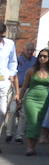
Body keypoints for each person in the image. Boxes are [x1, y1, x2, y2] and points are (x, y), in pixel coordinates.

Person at [19, 47, 49, 155]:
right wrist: (19, 98)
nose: (42, 58)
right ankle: (29, 147)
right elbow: (24, 86)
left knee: (38, 123)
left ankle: (33, 146)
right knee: (33, 121)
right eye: (40, 56)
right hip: (31, 99)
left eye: (45, 56)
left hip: (44, 100)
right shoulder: (31, 70)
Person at [0, 23, 15, 152]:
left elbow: (12, 61)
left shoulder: (9, 44)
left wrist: (11, 73)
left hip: (3, 82)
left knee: (2, 112)